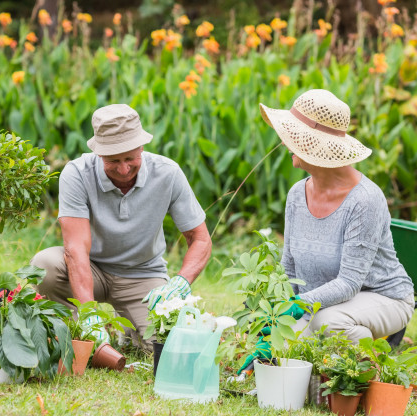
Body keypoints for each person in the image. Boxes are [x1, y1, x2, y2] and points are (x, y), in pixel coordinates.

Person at [237, 89, 414, 375]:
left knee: (327, 324)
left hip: (383, 297)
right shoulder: (297, 194)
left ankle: (365, 375)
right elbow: (289, 265)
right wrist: (275, 323)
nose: (284, 141)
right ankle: (327, 373)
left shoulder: (365, 199)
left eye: (292, 135)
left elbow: (349, 283)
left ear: (317, 145)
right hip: (321, 304)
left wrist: (298, 306)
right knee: (283, 349)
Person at [31, 103, 212, 348]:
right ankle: (74, 334)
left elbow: (200, 239)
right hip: (91, 269)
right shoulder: (76, 174)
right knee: (45, 266)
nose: (124, 169)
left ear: (142, 147)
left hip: (142, 274)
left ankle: (127, 328)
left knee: (164, 345)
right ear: (99, 154)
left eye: (131, 158)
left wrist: (180, 282)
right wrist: (88, 312)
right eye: (113, 160)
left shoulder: (168, 173)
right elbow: (75, 250)